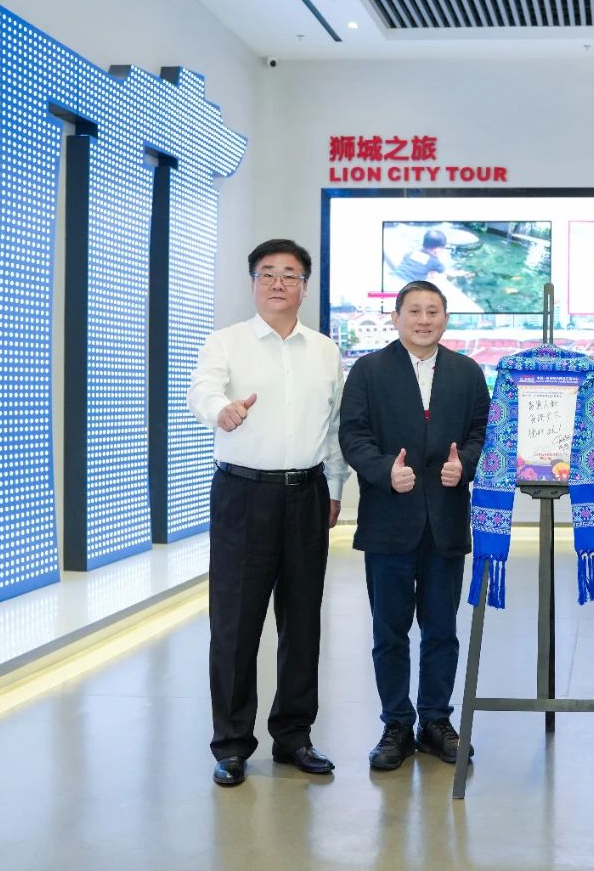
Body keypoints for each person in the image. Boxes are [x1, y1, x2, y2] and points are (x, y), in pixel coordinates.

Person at [187, 239, 348, 788]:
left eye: (290, 274)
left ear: (305, 285)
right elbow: (202, 391)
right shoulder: (226, 342)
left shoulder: (324, 350)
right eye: (268, 273)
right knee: (235, 623)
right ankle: (232, 744)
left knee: (302, 621)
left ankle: (294, 736)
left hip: (307, 493)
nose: (279, 282)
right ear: (253, 282)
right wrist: (222, 410)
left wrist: (334, 487)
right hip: (243, 495)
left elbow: (333, 427)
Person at [338, 280, 491, 770]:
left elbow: (481, 432)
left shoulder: (467, 373)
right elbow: (353, 435)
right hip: (389, 520)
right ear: (396, 317)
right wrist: (385, 471)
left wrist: (464, 465)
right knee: (390, 630)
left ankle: (436, 721)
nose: (424, 320)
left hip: (445, 520)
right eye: (415, 311)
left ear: (445, 318)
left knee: (442, 629)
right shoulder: (369, 371)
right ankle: (396, 724)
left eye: (433, 311)